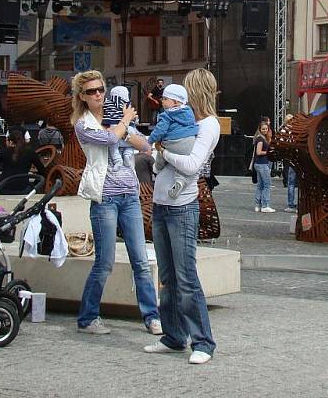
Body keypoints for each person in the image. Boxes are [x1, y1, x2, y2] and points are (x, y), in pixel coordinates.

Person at [70, 70, 162, 336]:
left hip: (130, 195)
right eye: (91, 92)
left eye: (101, 89)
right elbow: (110, 139)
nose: (98, 94)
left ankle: (151, 316)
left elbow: (143, 145)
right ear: (82, 97)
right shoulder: (83, 124)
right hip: (105, 197)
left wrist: (125, 128)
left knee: (140, 259)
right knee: (105, 261)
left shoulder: (114, 119)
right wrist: (125, 121)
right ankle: (88, 317)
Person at [144, 68, 220, 365]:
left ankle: (203, 341)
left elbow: (191, 165)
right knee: (167, 276)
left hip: (183, 207)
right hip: (162, 203)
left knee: (186, 277)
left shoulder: (209, 125)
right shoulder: (185, 122)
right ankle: (174, 336)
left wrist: (163, 152)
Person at [148, 84, 199, 199]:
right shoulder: (189, 111)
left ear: (176, 102)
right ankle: (181, 180)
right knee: (182, 167)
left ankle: (157, 168)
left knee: (161, 151)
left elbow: (159, 131)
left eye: (165, 99)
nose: (162, 101)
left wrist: (150, 141)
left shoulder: (166, 115)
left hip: (173, 142)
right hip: (189, 142)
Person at [0, 128, 46, 194]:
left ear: (10, 142)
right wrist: (34, 184)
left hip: (5, 186)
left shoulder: (3, 152)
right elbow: (42, 170)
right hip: (23, 186)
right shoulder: (30, 152)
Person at [101, 86, 139, 171]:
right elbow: (134, 117)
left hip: (115, 128)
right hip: (129, 128)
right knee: (131, 145)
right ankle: (127, 155)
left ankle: (117, 161)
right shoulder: (128, 105)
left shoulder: (107, 103)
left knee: (113, 146)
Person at [252, 122, 274, 213]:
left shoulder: (261, 138)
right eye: (263, 129)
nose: (265, 130)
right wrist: (268, 152)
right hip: (262, 164)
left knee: (260, 185)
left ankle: (258, 205)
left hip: (259, 164)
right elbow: (258, 152)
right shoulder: (260, 139)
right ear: (260, 129)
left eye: (266, 129)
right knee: (267, 185)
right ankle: (265, 205)